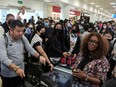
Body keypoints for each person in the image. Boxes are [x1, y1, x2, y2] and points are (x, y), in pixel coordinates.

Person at [0, 20, 46, 87]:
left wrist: (39, 56)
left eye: (22, 31)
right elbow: (3, 58)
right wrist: (16, 68)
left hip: (21, 71)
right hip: (8, 74)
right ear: (11, 30)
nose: (21, 33)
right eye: (18, 31)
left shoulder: (22, 38)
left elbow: (30, 49)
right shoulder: (3, 39)